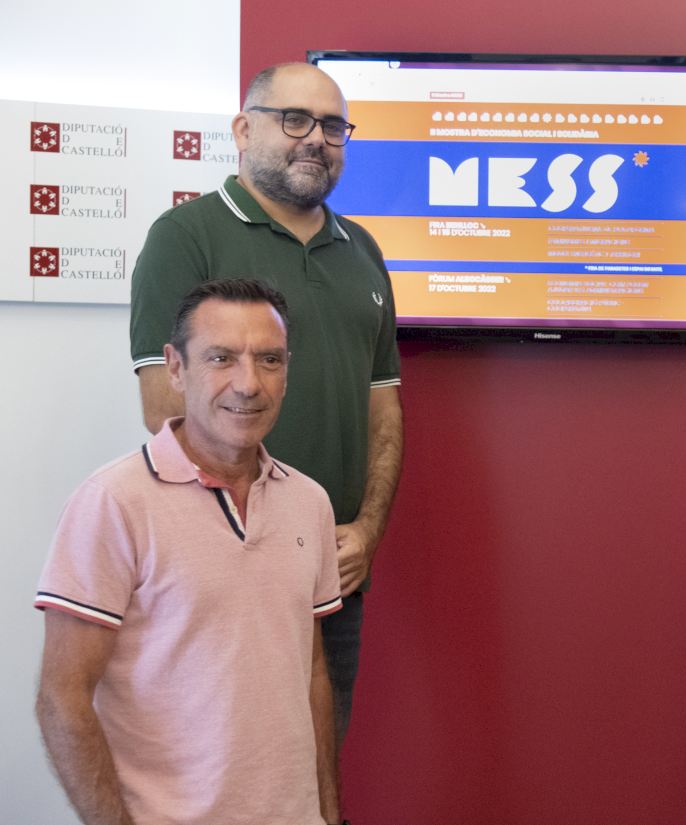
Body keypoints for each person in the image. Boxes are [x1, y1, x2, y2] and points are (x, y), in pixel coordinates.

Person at [129, 62, 403, 746]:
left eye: (333, 126)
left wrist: (367, 530)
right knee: (214, 770)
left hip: (333, 576)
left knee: (314, 775)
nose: (316, 139)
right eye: (295, 120)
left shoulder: (363, 251)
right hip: (221, 573)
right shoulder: (186, 236)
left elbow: (383, 411)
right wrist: (265, 533)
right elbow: (165, 409)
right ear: (244, 130)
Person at [35, 279, 343, 825]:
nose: (248, 384)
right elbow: (62, 698)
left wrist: (328, 812)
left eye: (269, 360)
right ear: (175, 368)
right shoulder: (113, 502)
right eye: (221, 358)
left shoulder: (309, 502)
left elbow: (312, 670)